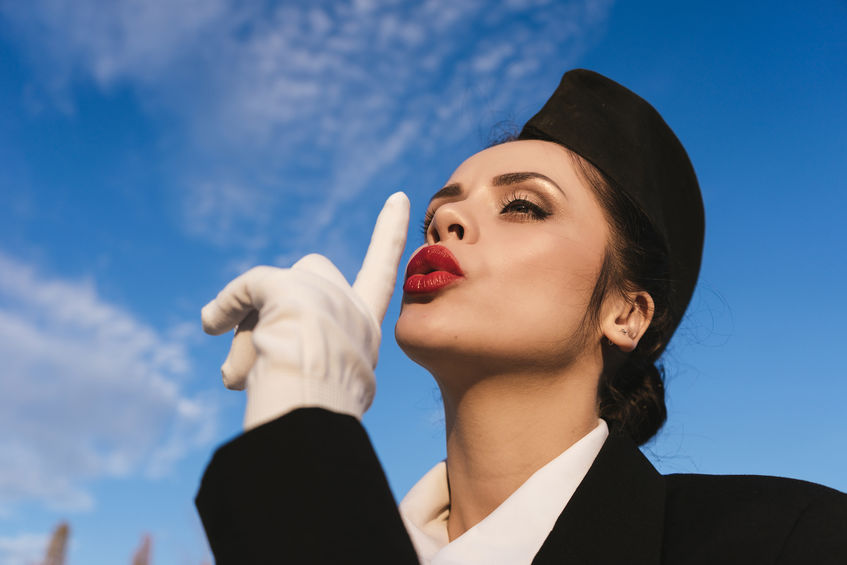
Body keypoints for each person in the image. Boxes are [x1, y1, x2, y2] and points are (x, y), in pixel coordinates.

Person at [195, 69, 847, 564]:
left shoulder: (796, 538)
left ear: (625, 311)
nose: (446, 221)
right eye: (439, 213)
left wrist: (303, 436)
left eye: (523, 206)